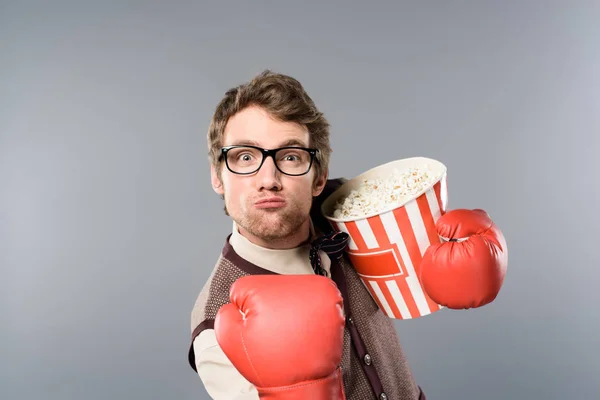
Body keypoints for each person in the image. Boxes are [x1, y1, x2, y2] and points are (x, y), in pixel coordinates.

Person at [187, 70, 428, 400]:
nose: (268, 178)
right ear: (218, 176)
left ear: (319, 177)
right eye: (245, 157)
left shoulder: (353, 211)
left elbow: (420, 251)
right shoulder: (216, 324)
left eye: (290, 156)